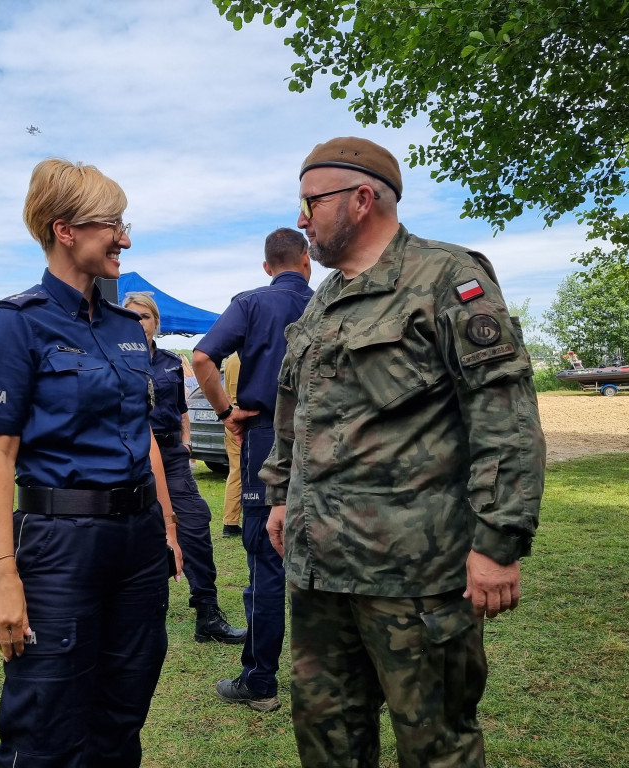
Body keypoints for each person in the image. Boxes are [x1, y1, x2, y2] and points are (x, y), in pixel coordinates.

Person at [261, 137, 547, 768]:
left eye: (312, 202)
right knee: (327, 737)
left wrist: (498, 542)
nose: (301, 218)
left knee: (436, 744)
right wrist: (280, 495)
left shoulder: (447, 277)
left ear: (362, 199)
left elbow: (504, 415)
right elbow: (296, 411)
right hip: (320, 571)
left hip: (416, 576)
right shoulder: (324, 298)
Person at [0, 158, 182, 768]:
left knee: (125, 708)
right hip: (60, 545)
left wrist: (166, 528)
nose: (124, 238)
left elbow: (143, 436)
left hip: (137, 542)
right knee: (46, 721)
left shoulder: (124, 328)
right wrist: (1, 574)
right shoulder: (17, 326)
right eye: (111, 225)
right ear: (64, 229)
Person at [193, 228, 313, 713]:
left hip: (268, 438)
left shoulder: (252, 303)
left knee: (267, 564)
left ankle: (260, 681)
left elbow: (203, 357)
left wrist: (226, 412)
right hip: (337, 442)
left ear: (268, 266)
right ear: (307, 261)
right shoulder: (332, 301)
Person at [122, 292, 245, 645]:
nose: (139, 324)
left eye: (144, 317)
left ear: (156, 323)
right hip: (129, 456)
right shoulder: (114, 362)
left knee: (193, 522)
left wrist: (187, 439)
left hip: (171, 453)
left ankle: (207, 611)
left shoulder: (171, 363)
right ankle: (134, 612)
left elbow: (180, 408)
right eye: (131, 318)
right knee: (131, 530)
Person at [220, 353, 242, 537]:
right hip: (244, 417)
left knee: (236, 471)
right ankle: (231, 523)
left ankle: (231, 521)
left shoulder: (231, 360)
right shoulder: (246, 357)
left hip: (232, 416)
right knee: (241, 472)